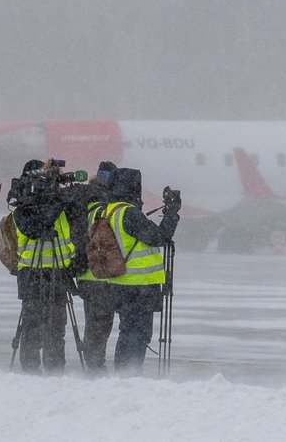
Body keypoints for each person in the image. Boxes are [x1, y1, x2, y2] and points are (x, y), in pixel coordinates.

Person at [79, 167, 180, 374]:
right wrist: (171, 213)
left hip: (119, 283)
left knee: (127, 330)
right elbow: (158, 237)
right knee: (137, 333)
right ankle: (129, 374)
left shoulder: (108, 210)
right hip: (139, 284)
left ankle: (123, 373)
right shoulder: (127, 212)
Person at [11, 159, 80, 374]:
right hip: (32, 273)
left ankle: (55, 369)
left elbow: (76, 218)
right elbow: (39, 226)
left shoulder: (57, 203)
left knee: (56, 326)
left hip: (58, 272)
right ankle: (30, 369)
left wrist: (63, 196)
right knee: (32, 325)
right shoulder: (22, 208)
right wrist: (55, 199)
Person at [76, 161, 119, 375]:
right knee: (101, 324)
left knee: (93, 322)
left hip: (85, 272)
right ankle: (95, 365)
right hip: (101, 272)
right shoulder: (105, 203)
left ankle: (93, 361)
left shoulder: (83, 199)